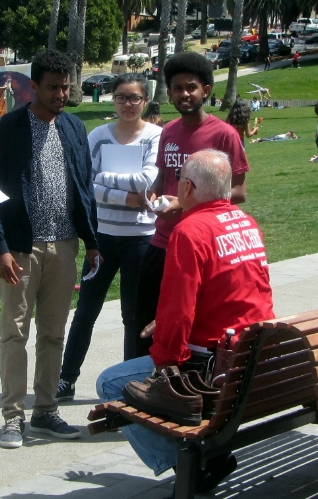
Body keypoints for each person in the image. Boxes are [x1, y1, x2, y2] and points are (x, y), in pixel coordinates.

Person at [97, 150, 274, 493]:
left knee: (110, 383)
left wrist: (165, 365)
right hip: (256, 355)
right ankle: (201, 461)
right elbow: (243, 294)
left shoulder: (189, 231)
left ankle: (193, 465)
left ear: (189, 188)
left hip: (213, 366)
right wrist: (163, 322)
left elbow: (179, 311)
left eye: (179, 179)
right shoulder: (245, 222)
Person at [0, 49, 100, 449]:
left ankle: (46, 410)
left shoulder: (73, 128)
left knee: (53, 333)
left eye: (65, 86)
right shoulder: (9, 128)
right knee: (14, 332)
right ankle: (12, 418)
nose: (60, 94)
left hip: (64, 245)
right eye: (52, 87)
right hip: (21, 247)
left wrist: (91, 241)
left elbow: (83, 189)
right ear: (32, 87)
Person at [133, 52, 249, 358]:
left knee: (186, 325)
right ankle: (136, 386)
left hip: (201, 246)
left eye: (191, 87)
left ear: (206, 91)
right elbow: (162, 181)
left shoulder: (225, 135)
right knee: (142, 323)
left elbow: (237, 192)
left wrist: (184, 207)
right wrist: (152, 197)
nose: (184, 94)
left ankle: (177, 389)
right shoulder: (168, 132)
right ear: (169, 93)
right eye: (177, 88)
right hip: (161, 242)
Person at [56, 74, 162, 402]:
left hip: (141, 238)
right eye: (120, 97)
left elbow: (147, 179)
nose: (127, 104)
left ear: (145, 100)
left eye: (133, 98)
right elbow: (83, 183)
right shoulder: (99, 136)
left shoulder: (156, 136)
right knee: (86, 310)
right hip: (102, 237)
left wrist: (103, 179)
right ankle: (66, 378)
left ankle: (133, 383)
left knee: (133, 316)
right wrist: (125, 197)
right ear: (111, 99)